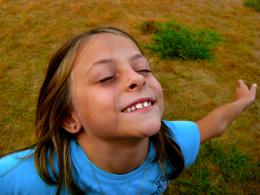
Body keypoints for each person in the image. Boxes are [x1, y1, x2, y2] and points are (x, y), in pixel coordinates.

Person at [0, 27, 257, 195]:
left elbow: (214, 125)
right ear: (69, 117)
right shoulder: (22, 178)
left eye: (143, 68)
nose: (137, 78)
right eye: (106, 77)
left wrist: (241, 103)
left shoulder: (173, 144)